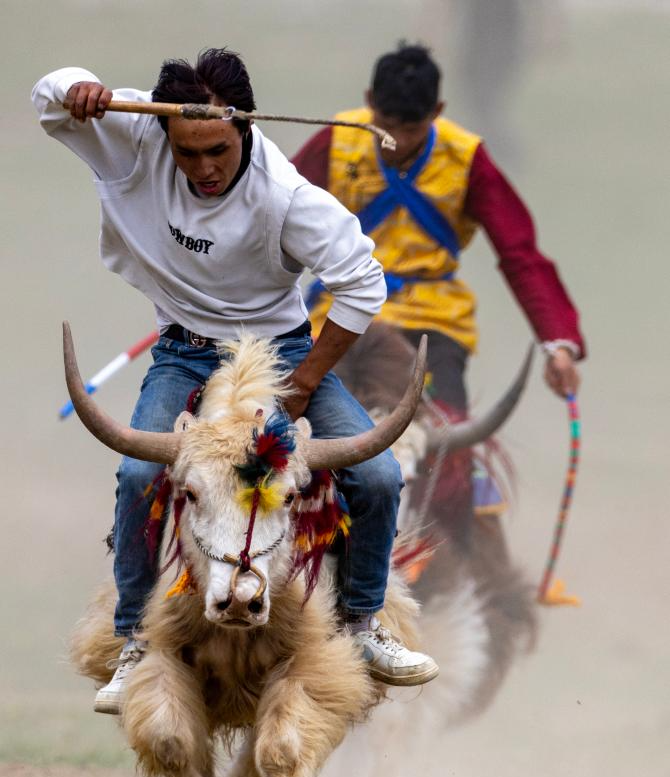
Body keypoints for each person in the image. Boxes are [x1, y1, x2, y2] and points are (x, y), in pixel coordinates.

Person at [33, 48, 439, 714]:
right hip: (182, 350)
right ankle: (133, 639)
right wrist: (81, 88)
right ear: (163, 133)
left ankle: (364, 626)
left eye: (218, 150)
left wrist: (304, 382)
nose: (204, 168)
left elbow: (364, 283)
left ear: (245, 128)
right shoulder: (134, 139)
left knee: (378, 475)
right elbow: (49, 99)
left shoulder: (285, 196)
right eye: (187, 153)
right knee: (139, 475)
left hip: (280, 354)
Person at [292, 43, 586, 549]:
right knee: (288, 433)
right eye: (386, 125)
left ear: (438, 112)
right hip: (339, 316)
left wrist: (557, 342)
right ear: (369, 102)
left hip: (433, 322)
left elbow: (520, 253)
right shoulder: (336, 142)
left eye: (412, 128)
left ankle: (459, 561)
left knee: (451, 453)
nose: (397, 141)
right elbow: (273, 214)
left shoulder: (467, 158)